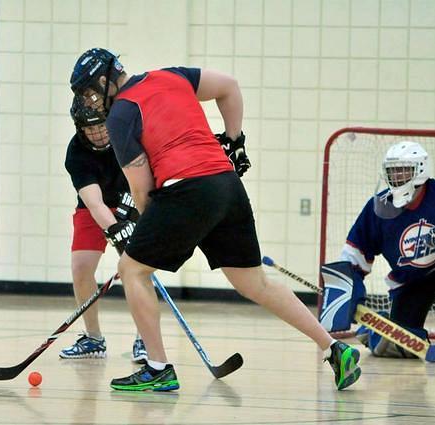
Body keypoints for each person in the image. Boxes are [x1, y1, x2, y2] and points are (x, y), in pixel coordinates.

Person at [69, 47, 362, 391]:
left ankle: (157, 367)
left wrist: (145, 231)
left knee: (132, 270)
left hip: (186, 189)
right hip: (227, 185)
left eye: (90, 91)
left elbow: (142, 186)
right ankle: (334, 347)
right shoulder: (171, 75)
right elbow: (229, 87)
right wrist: (235, 142)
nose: (91, 101)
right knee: (256, 284)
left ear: (105, 80)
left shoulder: (120, 115)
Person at [322, 141, 435, 360]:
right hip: (411, 284)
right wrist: (348, 293)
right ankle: (371, 331)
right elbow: (353, 257)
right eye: (392, 171)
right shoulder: (377, 208)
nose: (397, 176)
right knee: (394, 345)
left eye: (403, 170)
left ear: (420, 170)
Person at [59, 94, 147, 364]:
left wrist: (133, 207)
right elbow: (94, 203)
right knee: (81, 267)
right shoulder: (76, 153)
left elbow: (145, 178)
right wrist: (117, 232)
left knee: (139, 269)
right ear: (80, 128)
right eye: (90, 128)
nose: (97, 133)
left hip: (132, 201)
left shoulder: (127, 135)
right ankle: (93, 339)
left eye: (101, 125)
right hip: (94, 208)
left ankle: (144, 339)